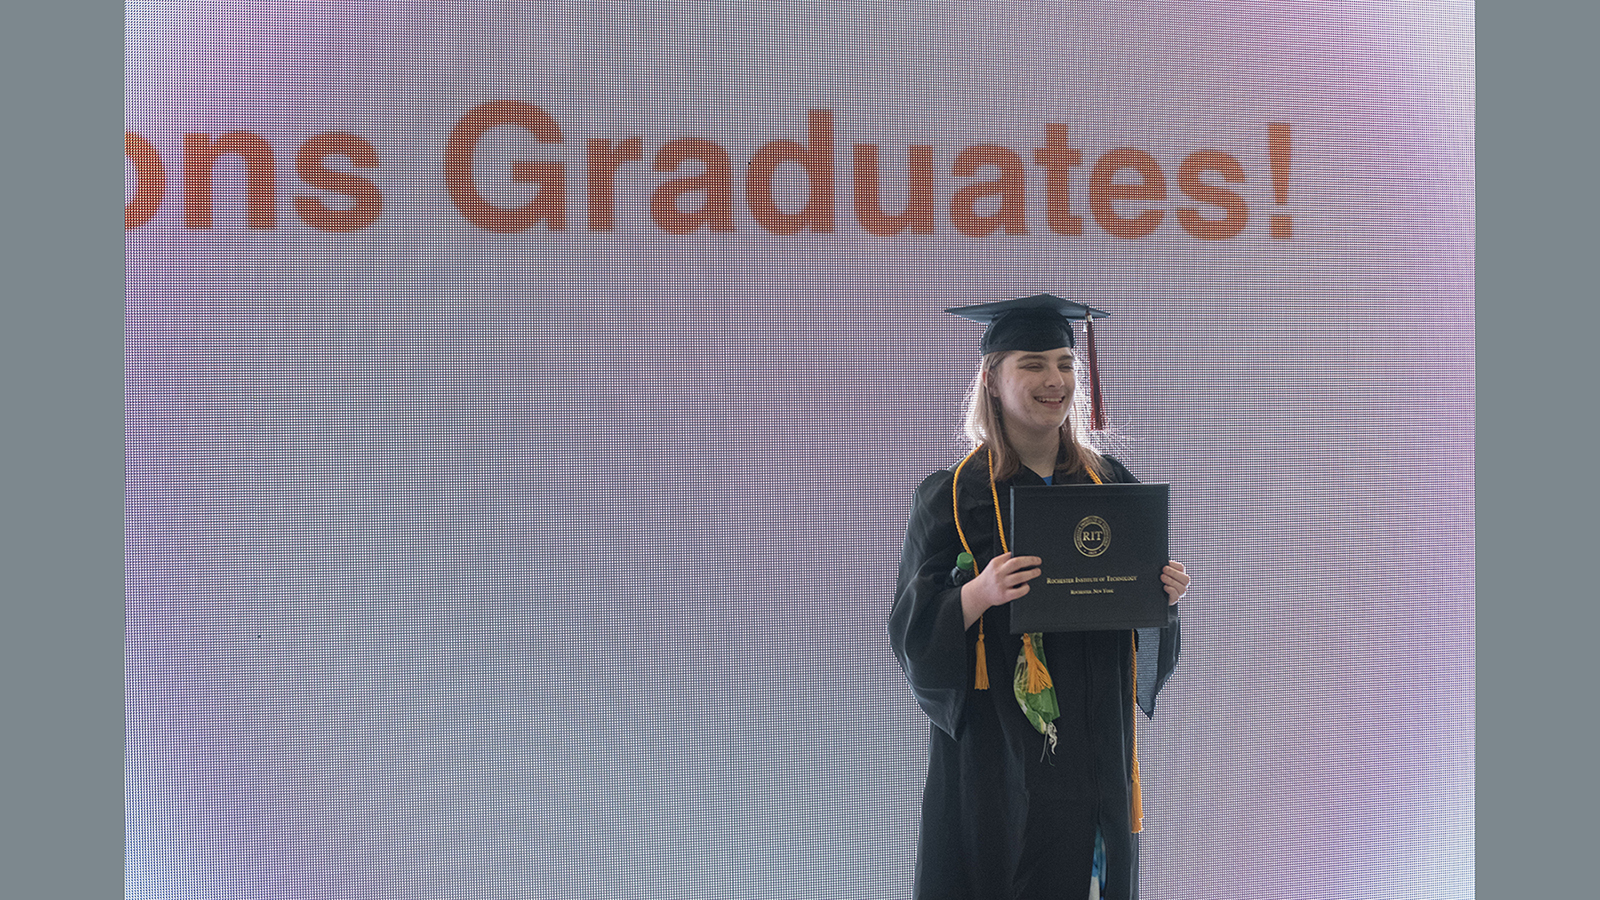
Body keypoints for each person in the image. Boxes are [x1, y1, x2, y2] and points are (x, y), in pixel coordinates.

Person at [889, 294, 1192, 900]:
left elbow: (1138, 624)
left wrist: (1162, 597)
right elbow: (913, 634)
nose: (1055, 380)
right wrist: (976, 594)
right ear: (992, 379)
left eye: (1064, 364)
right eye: (1032, 363)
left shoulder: (1111, 484)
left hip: (1096, 745)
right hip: (997, 758)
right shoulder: (951, 496)